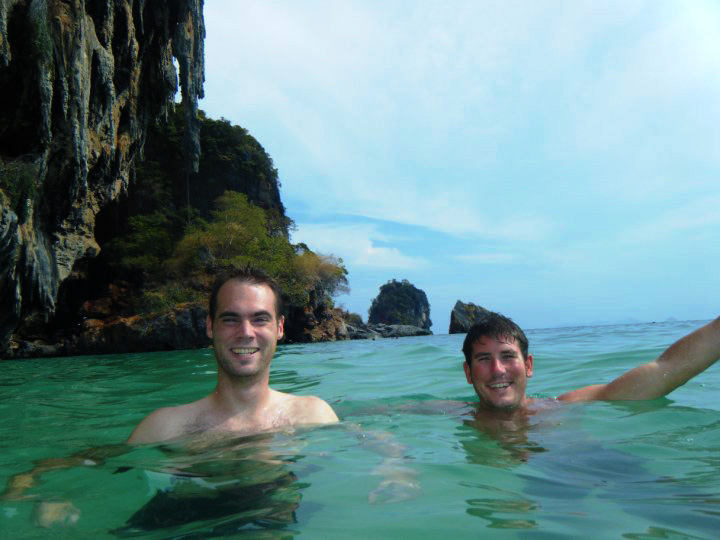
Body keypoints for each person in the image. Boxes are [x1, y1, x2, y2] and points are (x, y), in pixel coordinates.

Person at [128, 267, 338, 444]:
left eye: (260, 319)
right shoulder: (163, 429)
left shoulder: (313, 415)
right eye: (230, 319)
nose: (246, 332)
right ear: (210, 326)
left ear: (280, 327)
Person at [462, 311, 720, 411]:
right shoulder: (452, 413)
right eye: (484, 359)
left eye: (508, 356)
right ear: (468, 372)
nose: (498, 370)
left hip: (602, 474)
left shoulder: (562, 407)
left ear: (528, 365)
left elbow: (667, 369)